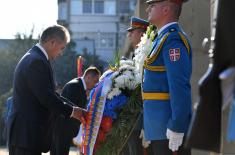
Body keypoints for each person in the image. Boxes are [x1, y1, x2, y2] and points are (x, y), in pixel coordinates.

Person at [7, 25, 86, 155]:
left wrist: (76, 109)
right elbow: (46, 97)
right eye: (62, 48)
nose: (61, 53)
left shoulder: (36, 58)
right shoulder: (36, 61)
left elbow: (51, 94)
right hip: (25, 135)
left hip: (27, 135)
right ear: (52, 42)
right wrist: (73, 111)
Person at [142, 0, 192, 154]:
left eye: (153, 6)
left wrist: (177, 125)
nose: (148, 9)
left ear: (166, 10)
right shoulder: (160, 38)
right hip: (157, 128)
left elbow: (178, 85)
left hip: (168, 130)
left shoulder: (172, 39)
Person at [50, 66, 101, 155]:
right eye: (95, 81)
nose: (95, 85)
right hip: (62, 130)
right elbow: (68, 109)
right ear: (88, 77)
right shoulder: (74, 86)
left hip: (65, 130)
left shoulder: (79, 86)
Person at [123, 17, 151, 155]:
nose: (129, 35)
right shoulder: (135, 54)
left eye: (132, 31)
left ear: (141, 34)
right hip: (132, 115)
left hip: (142, 116)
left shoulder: (148, 54)